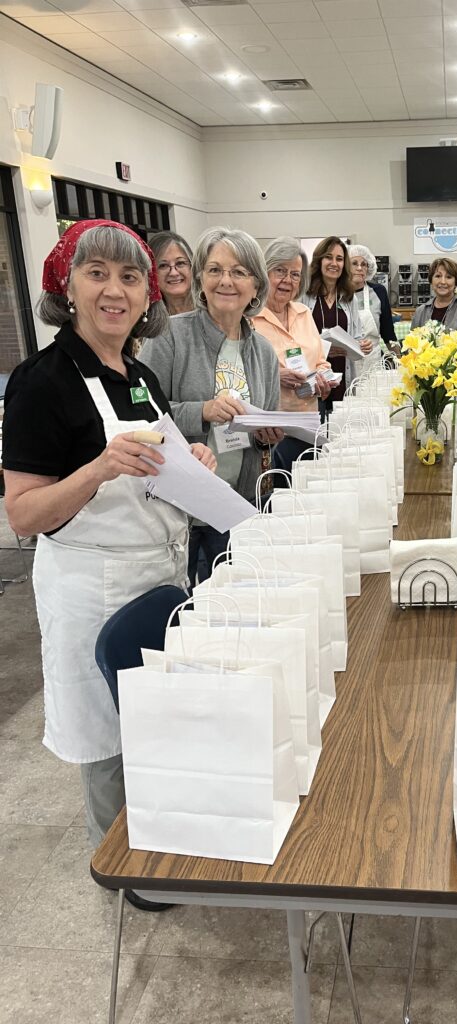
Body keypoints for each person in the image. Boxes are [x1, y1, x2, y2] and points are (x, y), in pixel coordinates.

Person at [1, 221, 216, 908]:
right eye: (97, 273)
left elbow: (158, 461)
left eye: (130, 277)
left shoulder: (139, 372)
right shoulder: (41, 382)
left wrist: (194, 461)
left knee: (155, 720)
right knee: (106, 731)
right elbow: (24, 514)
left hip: (153, 570)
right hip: (88, 583)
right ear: (67, 287)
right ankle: (123, 866)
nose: (115, 291)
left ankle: (163, 838)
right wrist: (96, 468)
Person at [142, 227, 282, 583]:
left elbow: (263, 427)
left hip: (235, 502)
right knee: (178, 610)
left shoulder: (263, 351)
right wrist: (200, 411)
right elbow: (140, 416)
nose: (226, 281)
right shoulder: (169, 335)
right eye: (215, 270)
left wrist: (266, 437)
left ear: (255, 285)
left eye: (238, 271)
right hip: (178, 508)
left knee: (235, 600)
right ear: (200, 279)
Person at [252, 236, 332, 475]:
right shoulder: (248, 318)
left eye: (295, 274)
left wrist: (324, 378)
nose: (287, 280)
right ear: (264, 273)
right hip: (271, 432)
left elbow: (320, 361)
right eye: (280, 271)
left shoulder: (304, 313)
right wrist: (275, 375)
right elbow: (240, 372)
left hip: (309, 426)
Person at [301, 236, 365, 405]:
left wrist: (362, 345)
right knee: (317, 425)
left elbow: (357, 336)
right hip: (313, 377)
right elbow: (294, 339)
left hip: (342, 374)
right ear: (319, 260)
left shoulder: (349, 298)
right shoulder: (304, 295)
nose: (334, 263)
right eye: (328, 257)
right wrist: (323, 349)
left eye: (339, 259)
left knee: (339, 424)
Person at [348, 243, 399, 369]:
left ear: (368, 268)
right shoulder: (337, 294)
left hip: (373, 360)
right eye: (354, 263)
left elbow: (388, 333)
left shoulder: (378, 292)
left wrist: (400, 359)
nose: (359, 268)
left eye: (364, 264)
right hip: (347, 361)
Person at [411, 256, 457, 342]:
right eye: (438, 276)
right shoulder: (420, 312)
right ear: (431, 281)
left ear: (456, 282)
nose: (443, 281)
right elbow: (412, 344)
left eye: (448, 277)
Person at [149, 230, 194, 315]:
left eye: (180, 263)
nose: (173, 273)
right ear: (151, 274)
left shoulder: (213, 309)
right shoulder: (147, 321)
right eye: (163, 265)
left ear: (192, 266)